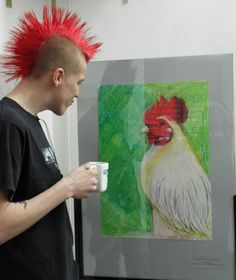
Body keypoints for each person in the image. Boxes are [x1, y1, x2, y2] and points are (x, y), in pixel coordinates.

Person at [0, 5, 101, 280]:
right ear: (58, 76)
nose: (78, 93)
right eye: (78, 82)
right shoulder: (8, 124)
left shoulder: (30, 121)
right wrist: (67, 186)